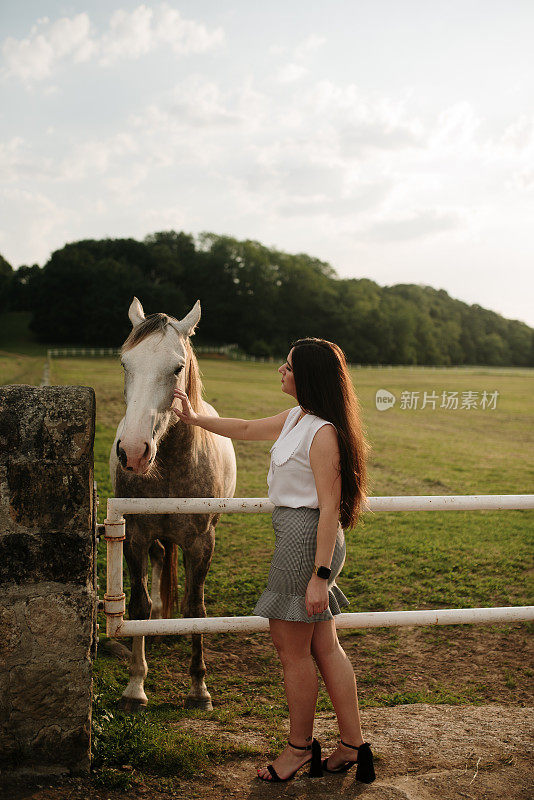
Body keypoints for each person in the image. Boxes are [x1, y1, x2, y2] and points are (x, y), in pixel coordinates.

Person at [172, 337, 376, 784]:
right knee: (324, 647)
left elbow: (329, 508)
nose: (279, 371)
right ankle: (351, 746)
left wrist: (320, 576)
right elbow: (244, 428)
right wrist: (192, 416)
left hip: (307, 543)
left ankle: (299, 749)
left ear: (308, 376)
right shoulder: (296, 418)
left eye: (287, 366)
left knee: (292, 652)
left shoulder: (322, 432)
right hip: (303, 538)